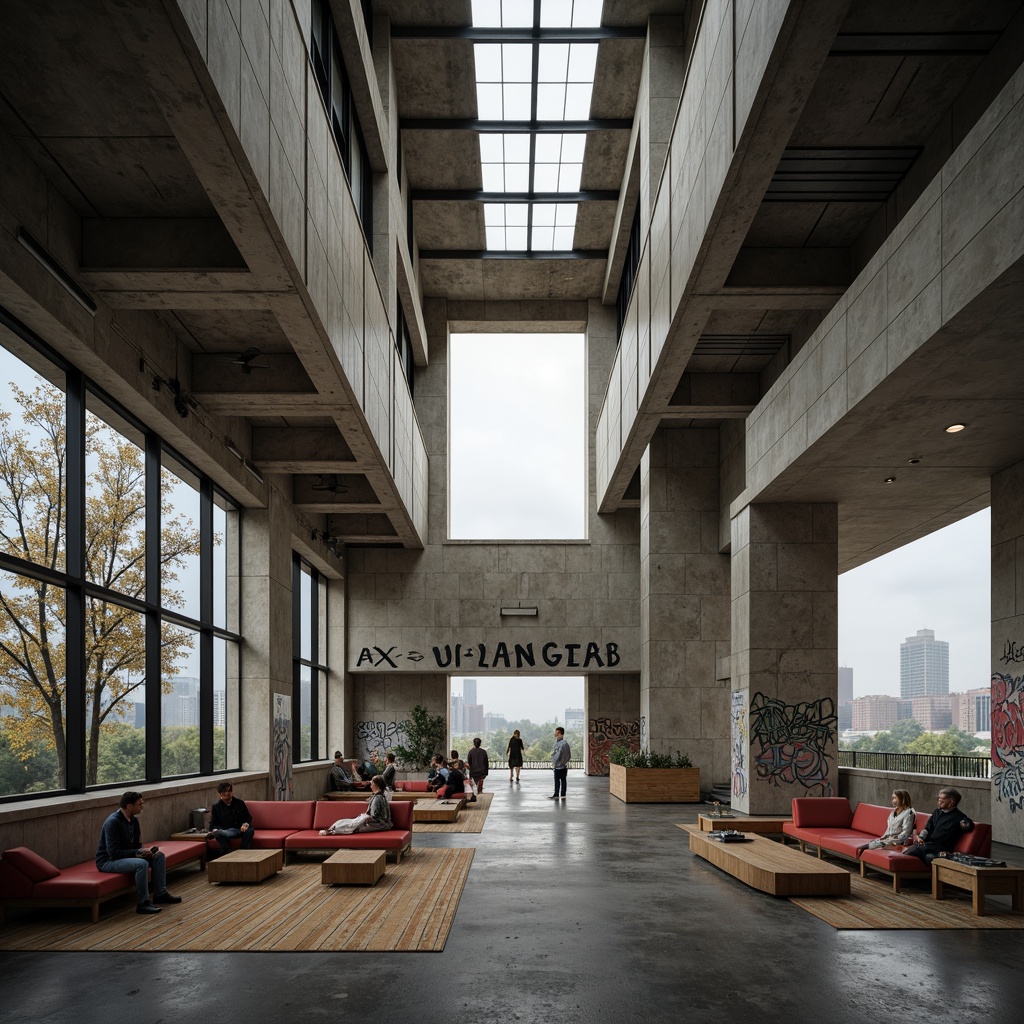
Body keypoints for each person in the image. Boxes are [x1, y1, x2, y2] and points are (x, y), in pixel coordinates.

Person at [95, 791, 182, 915]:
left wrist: (145, 852)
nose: (142, 807)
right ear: (129, 805)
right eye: (139, 804)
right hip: (108, 861)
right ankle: (143, 903)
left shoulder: (134, 820)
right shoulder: (113, 822)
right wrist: (138, 852)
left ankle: (160, 894)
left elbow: (136, 845)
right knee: (141, 864)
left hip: (126, 856)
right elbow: (113, 853)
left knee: (159, 856)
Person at [904, 787, 974, 864]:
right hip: (928, 844)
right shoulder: (937, 812)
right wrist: (921, 837)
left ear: (952, 801)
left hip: (940, 848)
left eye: (942, 799)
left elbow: (968, 825)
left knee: (923, 854)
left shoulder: (958, 817)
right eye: (938, 798)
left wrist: (965, 823)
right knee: (919, 852)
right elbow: (928, 827)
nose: (939, 801)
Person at [319, 775, 392, 834]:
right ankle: (331, 830)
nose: (371, 786)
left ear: (377, 785)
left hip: (378, 824)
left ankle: (331, 831)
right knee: (345, 821)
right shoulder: (379, 796)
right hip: (378, 823)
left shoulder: (378, 798)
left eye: (372, 784)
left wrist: (363, 818)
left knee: (352, 825)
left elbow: (374, 815)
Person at [207, 781, 255, 855]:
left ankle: (243, 852)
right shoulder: (216, 807)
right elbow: (213, 824)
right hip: (227, 831)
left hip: (241, 829)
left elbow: (249, 817)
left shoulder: (240, 803)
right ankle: (229, 852)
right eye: (224, 791)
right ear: (220, 793)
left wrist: (246, 824)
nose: (227, 793)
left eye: (229, 791)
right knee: (217, 833)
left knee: (250, 830)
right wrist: (216, 829)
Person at [549, 727, 571, 800]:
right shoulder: (556, 742)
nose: (555, 734)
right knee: (557, 781)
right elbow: (555, 753)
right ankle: (556, 793)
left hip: (561, 766)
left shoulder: (564, 744)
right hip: (557, 766)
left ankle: (562, 794)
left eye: (557, 732)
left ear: (560, 733)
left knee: (563, 780)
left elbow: (567, 756)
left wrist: (561, 763)